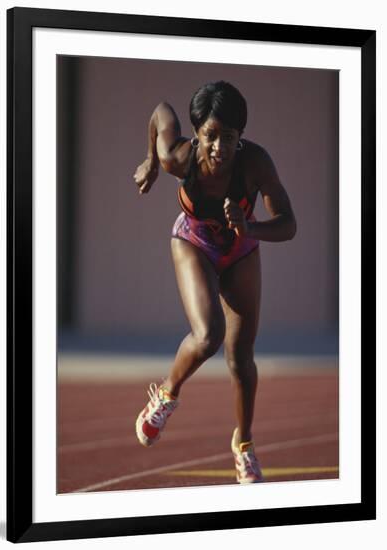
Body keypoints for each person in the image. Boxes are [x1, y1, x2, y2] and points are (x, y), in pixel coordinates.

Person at [133, 81, 296, 484]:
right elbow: (160, 108)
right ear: (197, 131)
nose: (219, 147)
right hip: (194, 242)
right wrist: (150, 163)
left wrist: (250, 229)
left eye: (229, 138)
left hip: (241, 248)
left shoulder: (255, 163)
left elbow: (289, 225)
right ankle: (167, 393)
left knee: (241, 358)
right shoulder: (178, 158)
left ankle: (244, 444)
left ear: (241, 138)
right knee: (208, 335)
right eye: (210, 136)